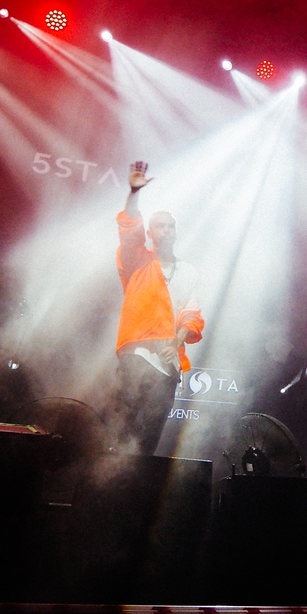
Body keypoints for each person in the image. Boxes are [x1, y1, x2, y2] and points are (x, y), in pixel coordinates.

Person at [111, 161, 205, 456]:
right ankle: (112, 477)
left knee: (150, 438)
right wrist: (134, 193)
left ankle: (140, 480)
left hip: (168, 362)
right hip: (137, 355)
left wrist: (176, 343)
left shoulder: (188, 271)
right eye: (159, 226)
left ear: (176, 233)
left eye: (170, 226)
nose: (165, 230)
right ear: (149, 233)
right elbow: (129, 229)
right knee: (127, 431)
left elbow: (192, 314)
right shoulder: (137, 259)